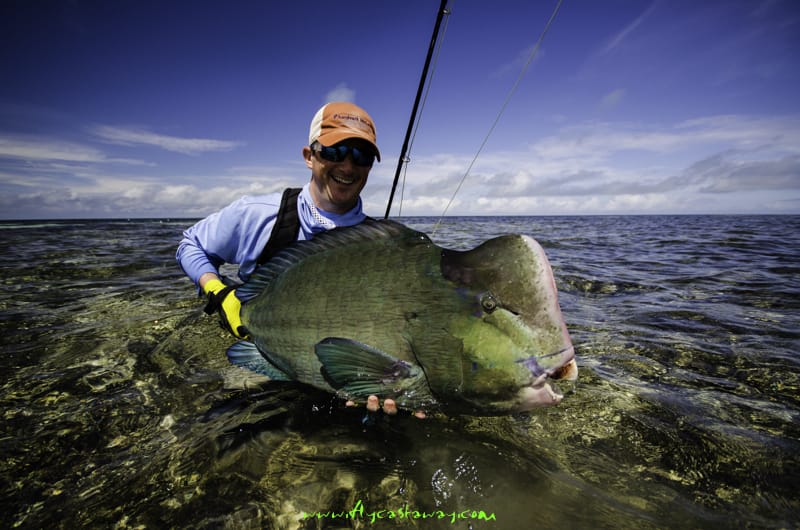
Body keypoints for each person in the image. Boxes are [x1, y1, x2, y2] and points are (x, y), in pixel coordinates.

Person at [176, 101, 404, 416]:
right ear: (309, 157)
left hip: (333, 372)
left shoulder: (382, 244)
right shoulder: (257, 213)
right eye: (335, 152)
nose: (348, 167)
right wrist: (217, 291)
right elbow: (191, 243)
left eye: (361, 156)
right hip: (263, 351)